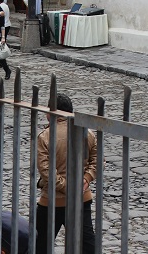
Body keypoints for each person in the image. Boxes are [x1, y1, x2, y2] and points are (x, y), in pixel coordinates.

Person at [36, 93, 97, 254]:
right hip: (80, 198)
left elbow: (46, 170)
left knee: (38, 245)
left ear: (51, 112)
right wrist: (86, 178)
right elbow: (98, 160)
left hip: (52, 200)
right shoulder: (86, 132)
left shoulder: (45, 136)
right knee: (87, 246)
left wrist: (65, 187)